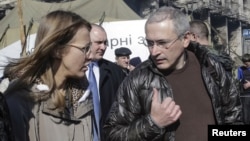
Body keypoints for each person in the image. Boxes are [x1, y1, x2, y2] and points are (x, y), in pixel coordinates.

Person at [104, 6, 242, 141]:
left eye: (162, 43)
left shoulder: (210, 66)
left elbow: (234, 117)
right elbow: (112, 134)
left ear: (185, 39)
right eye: (150, 43)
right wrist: (152, 123)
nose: (154, 51)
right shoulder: (137, 79)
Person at [4, 10, 94, 141]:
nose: (90, 56)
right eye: (84, 49)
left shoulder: (83, 97)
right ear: (57, 50)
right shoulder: (20, 102)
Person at [87, 24, 126, 141]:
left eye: (105, 43)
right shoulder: (71, 71)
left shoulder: (115, 72)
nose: (103, 47)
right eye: (98, 42)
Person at [237, 53, 250, 124]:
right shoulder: (240, 69)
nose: (246, 64)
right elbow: (239, 80)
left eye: (247, 62)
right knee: (245, 115)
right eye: (244, 63)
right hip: (245, 95)